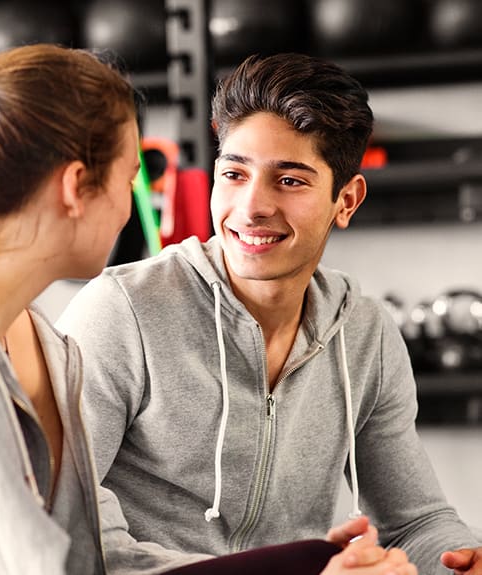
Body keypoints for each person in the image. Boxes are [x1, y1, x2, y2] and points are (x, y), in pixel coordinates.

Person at [0, 42, 416, 575]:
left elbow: (94, 558)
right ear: (75, 187)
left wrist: (300, 563)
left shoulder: (42, 346)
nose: (135, 205)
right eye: (130, 175)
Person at [56, 52, 482, 575]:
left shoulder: (365, 333)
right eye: (234, 174)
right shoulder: (121, 312)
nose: (252, 205)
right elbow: (69, 531)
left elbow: (417, 523)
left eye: (290, 181)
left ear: (345, 200)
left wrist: (460, 560)